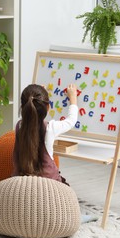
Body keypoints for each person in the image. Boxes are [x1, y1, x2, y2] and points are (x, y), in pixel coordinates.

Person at [13, 83, 98, 223]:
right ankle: (75, 218)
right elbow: (71, 121)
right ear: (48, 107)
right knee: (66, 194)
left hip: (23, 183)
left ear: (23, 107)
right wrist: (73, 99)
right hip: (49, 187)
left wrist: (38, 94)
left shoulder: (19, 126)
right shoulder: (50, 127)